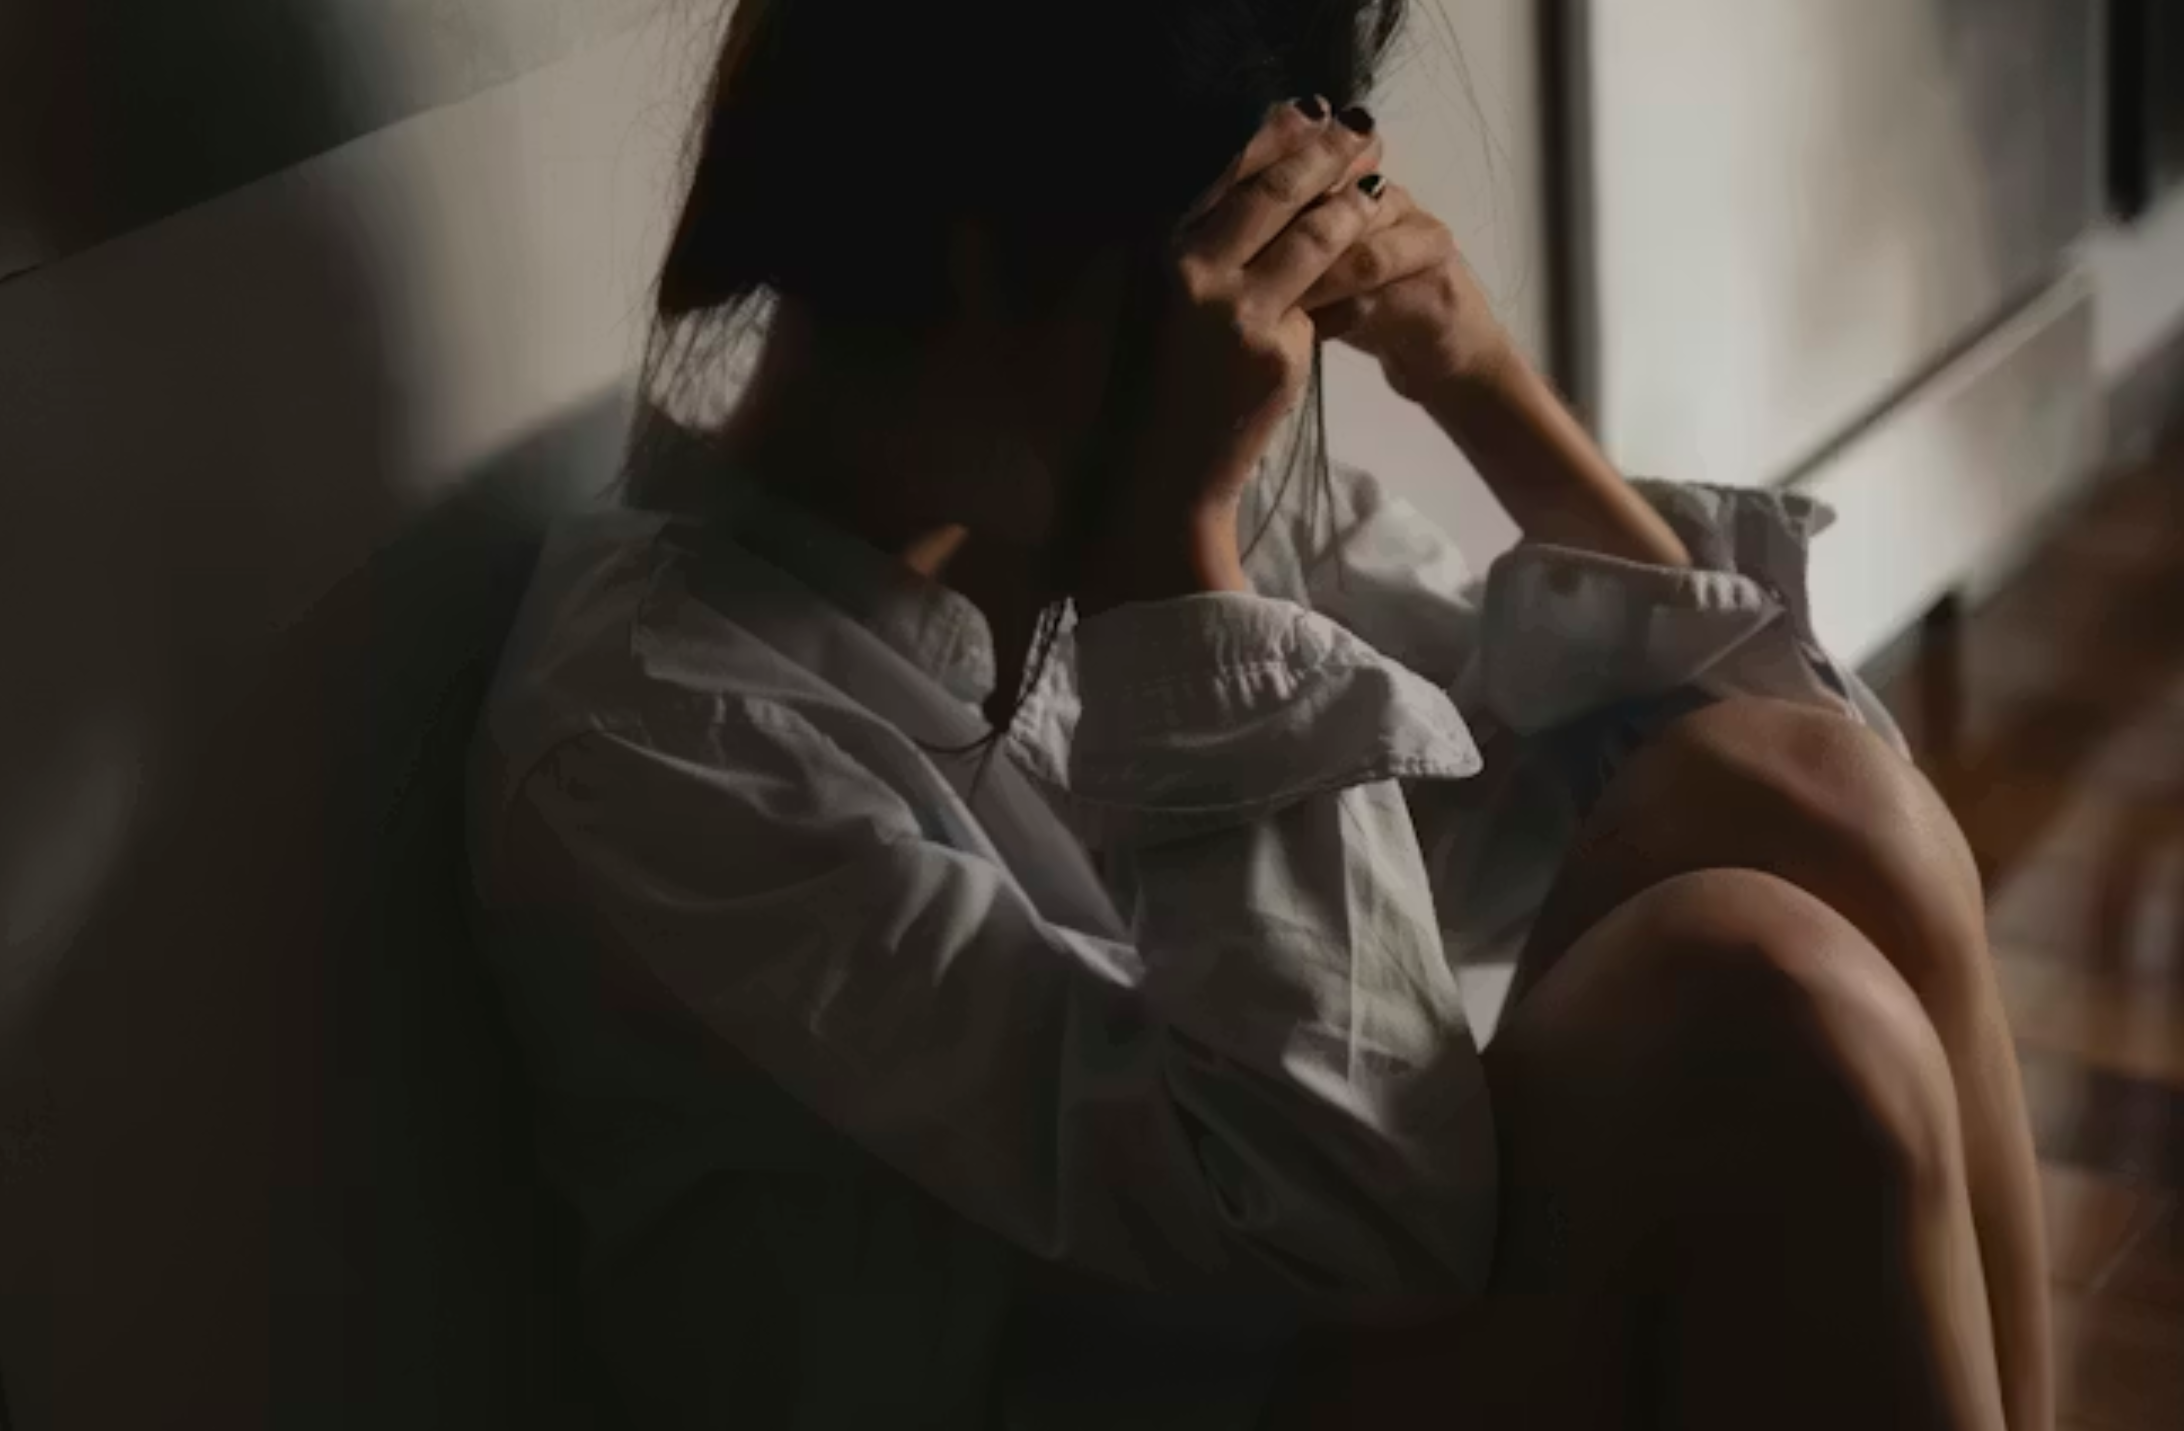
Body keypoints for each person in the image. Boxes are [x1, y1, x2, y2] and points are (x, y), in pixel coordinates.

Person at [468, 2, 2052, 1426]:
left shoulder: (1078, 478)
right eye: (1217, 289)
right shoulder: (664, 727)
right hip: (1196, 1340)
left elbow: (1712, 775)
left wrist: (1484, 385)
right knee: (1757, 1001)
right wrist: (1173, 563)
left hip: (1282, 1318)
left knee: (1812, 796)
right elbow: (1358, 1226)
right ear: (983, 262)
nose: (1264, 365)